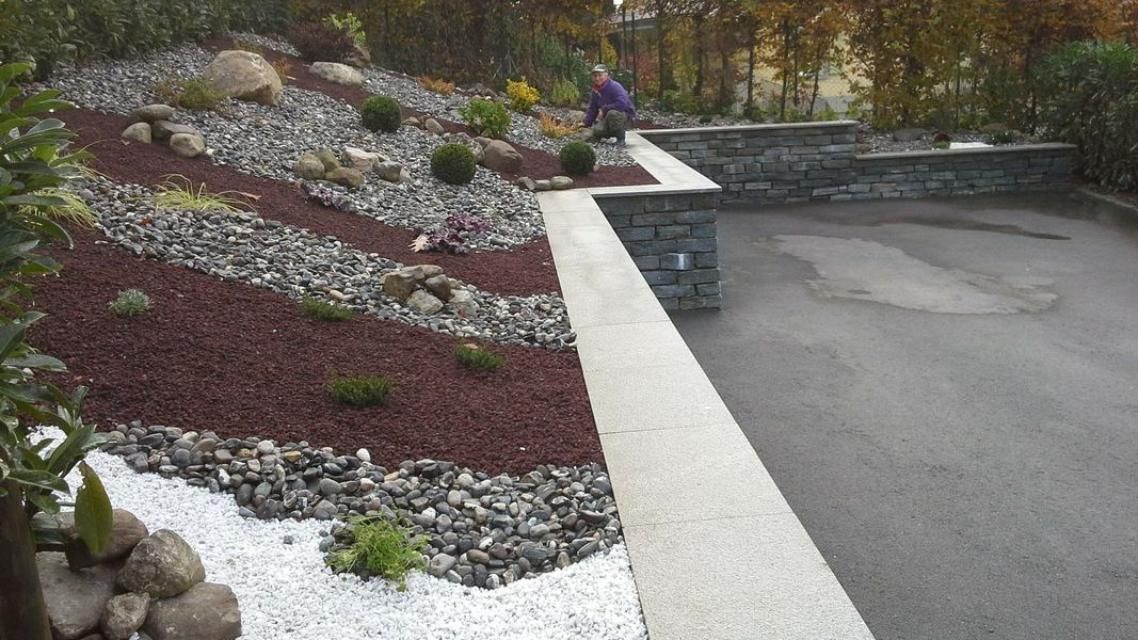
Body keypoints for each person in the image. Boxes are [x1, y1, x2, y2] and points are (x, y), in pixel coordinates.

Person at [582, 64, 635, 144]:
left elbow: (622, 104)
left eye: (600, 75)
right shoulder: (595, 91)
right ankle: (604, 136)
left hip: (624, 117)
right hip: (607, 118)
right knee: (597, 130)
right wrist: (586, 123)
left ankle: (621, 139)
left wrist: (604, 109)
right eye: (595, 76)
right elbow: (592, 108)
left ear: (606, 75)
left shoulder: (615, 87)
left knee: (613, 114)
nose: (597, 78)